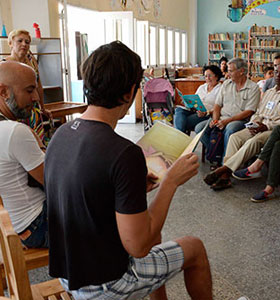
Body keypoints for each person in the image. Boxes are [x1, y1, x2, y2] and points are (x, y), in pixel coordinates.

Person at [44, 41, 213, 300]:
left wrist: (130, 186)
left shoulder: (61, 134)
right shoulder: (123, 152)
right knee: (194, 249)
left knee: (156, 239)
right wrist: (170, 182)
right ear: (128, 93)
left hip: (69, 273)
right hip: (105, 284)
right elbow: (139, 246)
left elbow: (87, 191)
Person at [203, 64, 280, 191]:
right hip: (259, 125)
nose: (277, 75)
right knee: (235, 137)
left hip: (273, 129)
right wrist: (255, 123)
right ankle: (225, 177)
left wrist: (266, 126)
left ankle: (223, 170)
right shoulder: (269, 92)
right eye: (275, 72)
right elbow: (258, 112)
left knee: (254, 141)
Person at [0, 61, 48, 248]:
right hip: (37, 225)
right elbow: (54, 181)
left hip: (16, 221)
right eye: (29, 91)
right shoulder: (15, 131)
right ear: (3, 92)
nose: (36, 97)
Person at [200, 58, 260, 165]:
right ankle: (218, 155)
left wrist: (226, 121)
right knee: (200, 129)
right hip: (222, 118)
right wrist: (215, 120)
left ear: (241, 71)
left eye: (231, 71)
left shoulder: (253, 88)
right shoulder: (226, 84)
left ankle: (225, 164)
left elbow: (249, 111)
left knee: (230, 129)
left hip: (239, 120)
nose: (228, 73)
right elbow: (217, 105)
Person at [3, 29, 52, 142]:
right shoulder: (5, 65)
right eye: (19, 41)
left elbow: (38, 85)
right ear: (10, 43)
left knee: (37, 141)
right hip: (15, 110)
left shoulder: (32, 61)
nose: (24, 44)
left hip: (33, 109)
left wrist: (43, 108)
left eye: (27, 42)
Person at [174, 65, 222, 133]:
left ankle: (179, 137)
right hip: (194, 110)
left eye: (210, 75)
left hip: (207, 114)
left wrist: (207, 112)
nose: (207, 78)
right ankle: (180, 136)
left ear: (217, 76)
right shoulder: (202, 87)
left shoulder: (221, 89)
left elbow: (220, 107)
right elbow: (195, 100)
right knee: (178, 110)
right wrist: (187, 102)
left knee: (182, 121)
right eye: (205, 76)